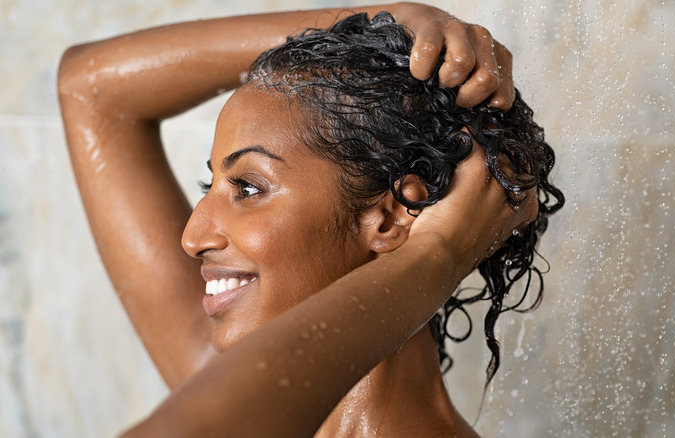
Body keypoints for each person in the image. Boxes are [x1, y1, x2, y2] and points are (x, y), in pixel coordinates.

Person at [57, 3, 563, 436]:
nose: (191, 237)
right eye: (209, 184)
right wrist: (376, 21)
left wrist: (437, 254)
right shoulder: (234, 389)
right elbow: (90, 89)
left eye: (248, 188)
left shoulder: (227, 407)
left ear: (389, 219)